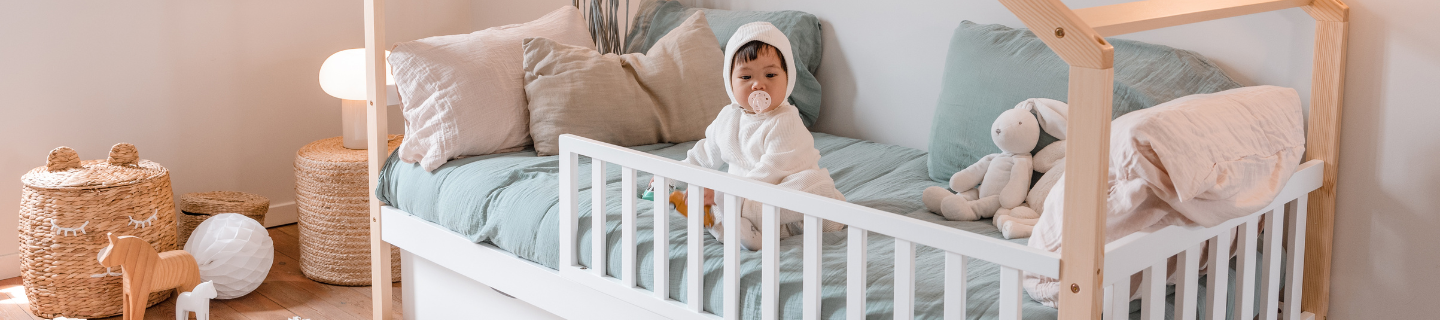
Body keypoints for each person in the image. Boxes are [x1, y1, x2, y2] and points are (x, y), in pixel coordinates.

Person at [665, 21, 845, 251]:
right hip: (743, 202)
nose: (758, 85)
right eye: (746, 77)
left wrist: (733, 195)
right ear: (730, 82)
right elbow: (704, 154)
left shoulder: (785, 121)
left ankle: (736, 219)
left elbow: (772, 169)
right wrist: (670, 175)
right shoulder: (728, 118)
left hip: (784, 204)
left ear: (788, 79)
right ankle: (734, 226)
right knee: (707, 198)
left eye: (770, 74)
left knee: (815, 184)